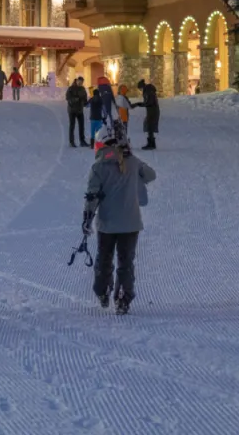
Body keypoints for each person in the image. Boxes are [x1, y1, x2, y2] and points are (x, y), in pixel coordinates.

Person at [82, 124, 157, 315]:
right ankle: (123, 297)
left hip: (107, 224)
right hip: (131, 224)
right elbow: (150, 175)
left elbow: (93, 196)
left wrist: (87, 220)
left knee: (104, 259)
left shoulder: (98, 166)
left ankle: (103, 291)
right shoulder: (132, 161)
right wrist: (133, 158)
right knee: (126, 262)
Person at [133, 79, 161, 150]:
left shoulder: (148, 90)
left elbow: (149, 102)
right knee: (148, 126)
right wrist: (139, 104)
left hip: (152, 111)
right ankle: (151, 143)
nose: (140, 90)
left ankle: (151, 144)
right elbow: (148, 102)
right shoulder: (148, 90)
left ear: (142, 86)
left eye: (140, 89)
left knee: (150, 126)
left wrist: (139, 104)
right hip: (151, 110)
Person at [65, 76, 89, 147]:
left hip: (80, 110)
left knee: (82, 126)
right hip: (72, 110)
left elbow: (85, 99)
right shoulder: (71, 88)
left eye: (82, 82)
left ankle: (82, 141)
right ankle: (71, 142)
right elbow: (68, 98)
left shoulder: (82, 89)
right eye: (79, 82)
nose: (80, 83)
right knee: (72, 126)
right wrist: (76, 99)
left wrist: (87, 102)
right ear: (77, 81)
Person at [88, 76, 111, 144]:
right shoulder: (101, 100)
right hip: (99, 118)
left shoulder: (91, 100)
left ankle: (92, 144)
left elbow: (86, 105)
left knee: (92, 132)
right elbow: (104, 109)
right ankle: (97, 144)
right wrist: (105, 116)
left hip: (92, 118)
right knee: (98, 132)